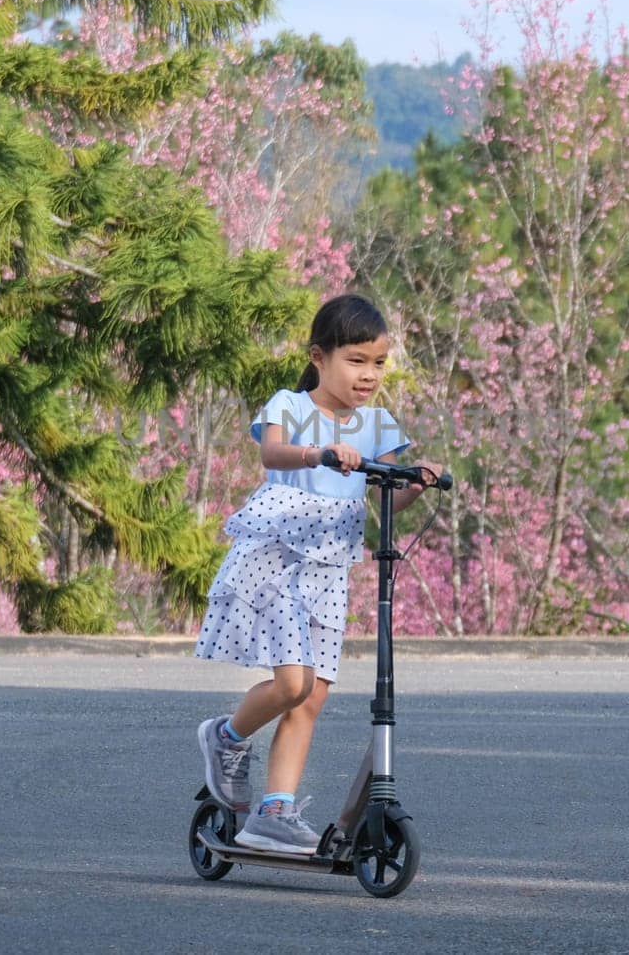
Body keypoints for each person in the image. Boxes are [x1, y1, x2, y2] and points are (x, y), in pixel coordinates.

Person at [194, 294, 442, 855]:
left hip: (331, 565)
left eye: (378, 363)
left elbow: (386, 501)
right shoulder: (291, 404)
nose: (368, 374)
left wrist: (417, 481)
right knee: (291, 683)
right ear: (320, 356)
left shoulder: (378, 423)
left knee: (312, 697)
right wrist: (321, 454)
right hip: (279, 554)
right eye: (356, 360)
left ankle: (274, 811)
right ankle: (227, 737)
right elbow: (273, 454)